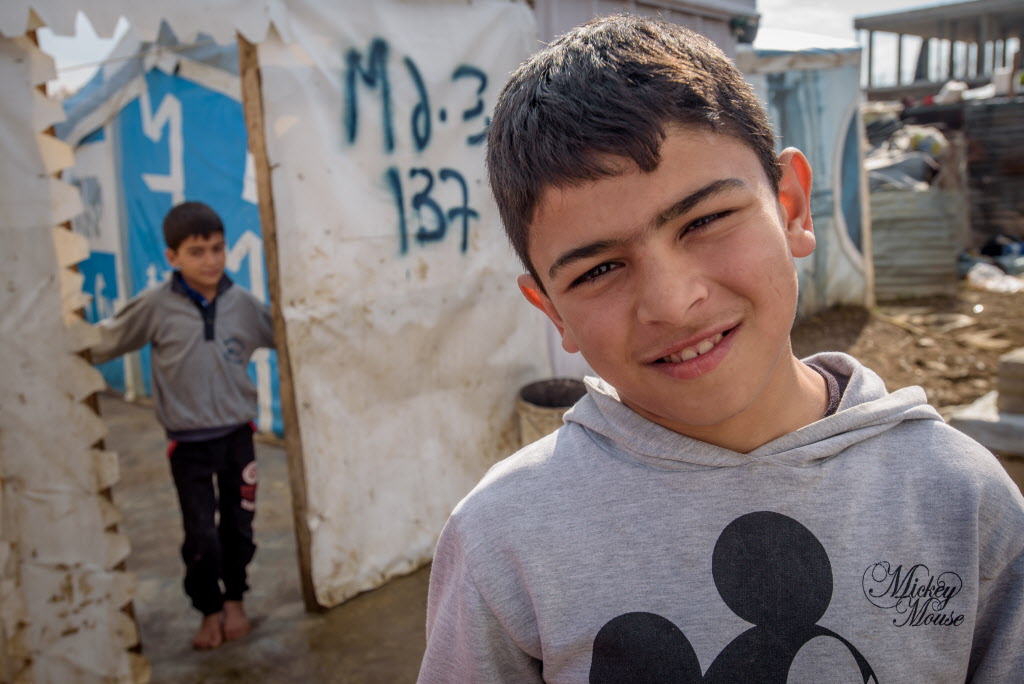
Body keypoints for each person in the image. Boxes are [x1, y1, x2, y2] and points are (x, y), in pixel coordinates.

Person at [418, 15, 1024, 683]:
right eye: (597, 270)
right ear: (552, 310)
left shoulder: (959, 500)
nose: (673, 303)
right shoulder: (502, 541)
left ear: (792, 206)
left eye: (704, 221)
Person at [91, 201, 275, 650]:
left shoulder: (244, 305)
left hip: (238, 438)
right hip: (188, 445)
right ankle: (208, 610)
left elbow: (291, 337)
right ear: (172, 257)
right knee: (201, 536)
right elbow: (103, 342)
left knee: (238, 528)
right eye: (197, 252)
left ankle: (235, 600)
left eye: (217, 248)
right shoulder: (155, 307)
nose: (210, 260)